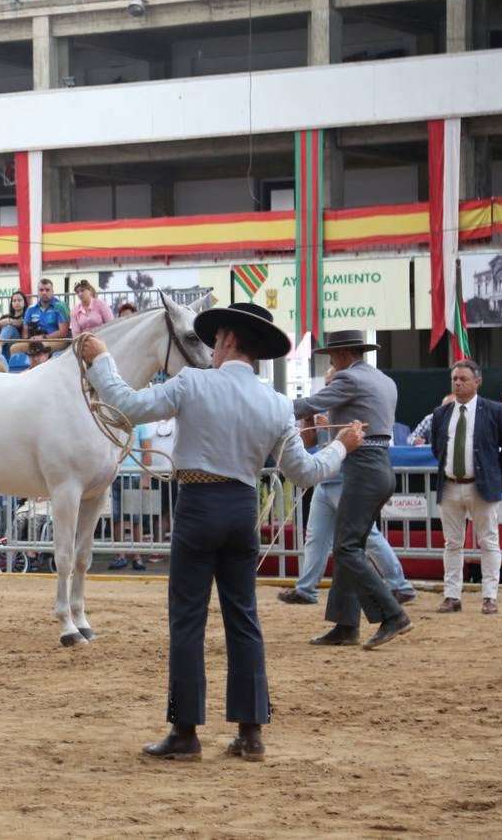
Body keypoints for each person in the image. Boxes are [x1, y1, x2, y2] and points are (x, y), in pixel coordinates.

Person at [81, 301, 363, 763]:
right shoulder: (276, 403)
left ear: (228, 340)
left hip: (197, 505)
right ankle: (251, 733)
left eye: (214, 341)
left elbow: (127, 405)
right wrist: (341, 447)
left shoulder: (193, 383)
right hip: (241, 510)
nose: (211, 349)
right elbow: (306, 473)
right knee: (244, 620)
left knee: (187, 620)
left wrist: (101, 361)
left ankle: (185, 731)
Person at [291, 330, 412, 651]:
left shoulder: (348, 379)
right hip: (379, 466)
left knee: (346, 547)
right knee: (350, 545)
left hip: (362, 469)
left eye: (332, 355)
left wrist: (264, 406)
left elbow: (310, 404)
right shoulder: (385, 380)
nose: (331, 360)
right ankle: (346, 624)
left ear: (343, 354)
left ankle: (393, 614)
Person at [279, 408, 416, 606]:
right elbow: (309, 443)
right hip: (325, 479)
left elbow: (360, 436)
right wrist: (308, 420)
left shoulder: (353, 406)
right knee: (315, 537)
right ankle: (306, 589)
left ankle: (400, 586)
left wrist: (331, 427)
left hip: (348, 479)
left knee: (368, 535)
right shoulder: (324, 408)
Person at [432, 360, 502, 615]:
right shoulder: (441, 413)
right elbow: (438, 448)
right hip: (450, 484)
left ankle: (490, 596)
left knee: (488, 541)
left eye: (463, 379)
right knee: (452, 543)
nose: (458, 383)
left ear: (477, 382)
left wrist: (491, 471)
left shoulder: (493, 410)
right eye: (454, 379)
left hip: (481, 485)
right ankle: (452, 596)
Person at [108, 420, 157, 571]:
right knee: (117, 518)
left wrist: (145, 477)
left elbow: (147, 451)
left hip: (133, 475)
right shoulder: (115, 422)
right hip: (115, 476)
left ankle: (137, 557)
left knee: (136, 519)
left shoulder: (141, 424)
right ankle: (121, 556)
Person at [12, 278, 70, 355]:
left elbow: (63, 332)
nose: (44, 292)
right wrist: (30, 339)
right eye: (41, 290)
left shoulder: (60, 306)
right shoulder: (31, 309)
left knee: (40, 348)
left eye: (47, 290)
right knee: (14, 348)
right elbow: (25, 333)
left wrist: (43, 337)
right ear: (38, 292)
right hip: (35, 342)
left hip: (57, 340)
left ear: (52, 291)